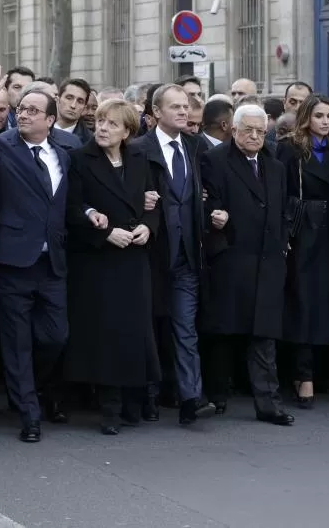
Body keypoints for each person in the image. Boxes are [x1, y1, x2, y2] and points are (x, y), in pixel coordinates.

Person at [0, 64, 73, 442]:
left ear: (50, 120)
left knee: (54, 337)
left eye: (32, 110)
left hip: (52, 264)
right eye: (20, 108)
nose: (23, 114)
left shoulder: (65, 154)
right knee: (16, 341)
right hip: (13, 262)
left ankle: (29, 389)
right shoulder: (1, 147)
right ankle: (29, 413)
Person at [64, 99, 160, 434]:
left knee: (134, 333)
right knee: (105, 336)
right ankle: (109, 408)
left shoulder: (138, 158)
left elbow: (152, 200)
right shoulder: (79, 159)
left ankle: (133, 402)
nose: (103, 128)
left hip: (134, 259)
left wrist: (148, 225)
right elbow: (72, 208)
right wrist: (104, 234)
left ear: (128, 131)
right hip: (98, 262)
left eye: (112, 124)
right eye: (101, 121)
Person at [199, 104, 293, 425]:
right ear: (233, 130)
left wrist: (281, 247)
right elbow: (209, 201)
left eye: (260, 131)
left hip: (267, 262)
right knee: (224, 334)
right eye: (248, 130)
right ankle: (217, 396)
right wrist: (217, 220)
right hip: (232, 261)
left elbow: (282, 211)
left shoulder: (276, 166)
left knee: (264, 337)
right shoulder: (215, 159)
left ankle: (268, 403)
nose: (255, 136)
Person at [130, 83, 215, 425]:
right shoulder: (137, 149)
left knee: (185, 329)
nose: (183, 112)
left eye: (186, 107)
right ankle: (147, 395)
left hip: (187, 256)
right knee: (147, 327)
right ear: (155, 113)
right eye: (175, 107)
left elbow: (209, 192)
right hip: (151, 253)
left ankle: (190, 398)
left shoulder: (197, 148)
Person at [276, 95, 329, 408]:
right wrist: (283, 233)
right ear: (306, 117)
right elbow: (281, 192)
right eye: (319, 115)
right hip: (302, 231)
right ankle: (302, 375)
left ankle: (322, 370)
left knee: (326, 302)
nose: (326, 122)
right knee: (301, 301)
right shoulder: (290, 148)